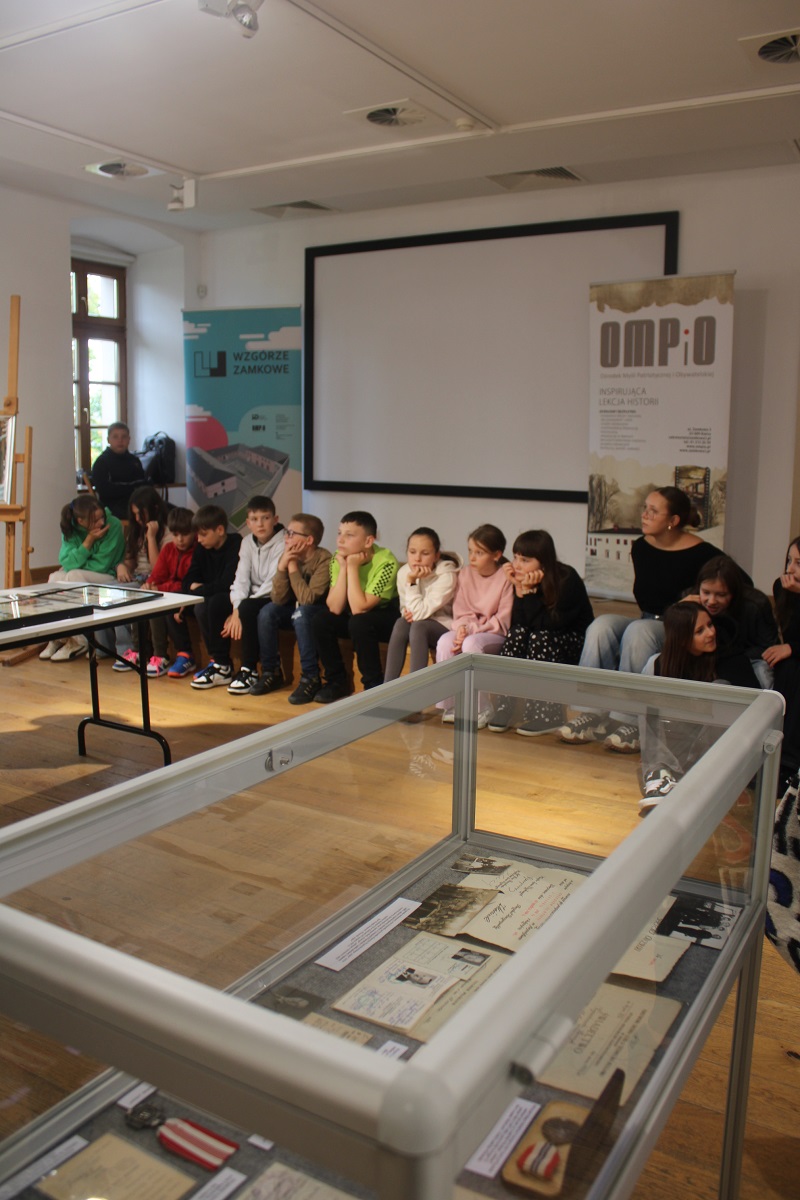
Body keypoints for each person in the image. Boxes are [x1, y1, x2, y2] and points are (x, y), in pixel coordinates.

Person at [560, 486, 721, 753]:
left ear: (673, 521)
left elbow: (737, 586)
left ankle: (632, 721)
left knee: (639, 631)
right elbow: (646, 597)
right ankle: (592, 713)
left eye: (653, 511)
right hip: (648, 617)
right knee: (602, 625)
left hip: (676, 626)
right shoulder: (641, 547)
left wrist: (699, 603)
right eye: (645, 508)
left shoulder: (704, 554)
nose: (644, 515)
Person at [487, 530, 594, 736]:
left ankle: (549, 715)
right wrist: (520, 590)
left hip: (571, 642)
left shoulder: (566, 578)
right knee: (517, 633)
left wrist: (528, 593)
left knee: (540, 637)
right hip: (541, 638)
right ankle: (504, 706)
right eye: (516, 557)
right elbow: (519, 624)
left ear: (543, 561)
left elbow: (551, 625)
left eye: (525, 560)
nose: (517, 565)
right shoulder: (521, 580)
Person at [638, 600, 721, 814]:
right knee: (648, 697)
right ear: (682, 639)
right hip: (673, 741)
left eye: (710, 625)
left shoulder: (725, 661)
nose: (711, 633)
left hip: (708, 749)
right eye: (700, 631)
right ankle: (659, 775)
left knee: (724, 688)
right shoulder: (658, 663)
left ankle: (690, 779)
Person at [311, 511, 400, 703]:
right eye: (339, 533)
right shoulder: (338, 558)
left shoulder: (386, 561)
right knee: (321, 620)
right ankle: (336, 682)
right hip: (354, 612)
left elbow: (361, 608)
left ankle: (373, 687)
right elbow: (335, 607)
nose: (341, 540)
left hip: (384, 616)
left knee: (359, 622)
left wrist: (352, 567)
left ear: (368, 541)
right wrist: (344, 567)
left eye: (349, 535)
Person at [435, 524, 513, 727]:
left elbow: (502, 620)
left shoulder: (505, 577)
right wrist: (462, 627)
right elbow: (461, 610)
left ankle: (482, 707)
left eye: (479, 552)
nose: (472, 557)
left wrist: (470, 631)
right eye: (470, 551)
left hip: (493, 633)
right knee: (445, 642)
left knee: (472, 645)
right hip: (469, 629)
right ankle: (452, 704)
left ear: (496, 555)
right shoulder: (465, 574)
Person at [250, 512, 331, 704]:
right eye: (287, 532)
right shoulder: (287, 556)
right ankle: (271, 672)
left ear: (309, 540)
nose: (286, 537)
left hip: (318, 613)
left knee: (301, 614)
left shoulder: (324, 560)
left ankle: (310, 677)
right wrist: (281, 567)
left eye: (292, 534)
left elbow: (308, 600)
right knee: (267, 612)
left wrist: (292, 566)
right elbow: (278, 598)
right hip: (295, 610)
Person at [39, 494, 126, 662]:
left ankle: (79, 640)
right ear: (80, 521)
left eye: (102, 517)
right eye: (95, 520)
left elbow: (102, 564)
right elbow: (65, 561)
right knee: (55, 577)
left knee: (73, 575)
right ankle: (58, 637)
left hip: (109, 575)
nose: (101, 522)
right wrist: (88, 542)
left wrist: (75, 563)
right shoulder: (70, 527)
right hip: (84, 574)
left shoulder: (113, 524)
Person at [223, 496, 286, 695]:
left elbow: (272, 583)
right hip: (250, 599)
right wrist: (236, 609)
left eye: (265, 518)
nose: (260, 524)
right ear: (248, 523)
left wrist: (242, 608)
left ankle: (249, 669)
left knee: (249, 609)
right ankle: (221, 665)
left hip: (276, 596)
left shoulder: (283, 541)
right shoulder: (246, 542)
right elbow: (241, 579)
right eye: (254, 519)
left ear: (275, 519)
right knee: (216, 603)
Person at [383, 527, 460, 683]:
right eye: (412, 552)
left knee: (419, 626)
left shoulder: (446, 575)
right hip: (417, 624)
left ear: (436, 556)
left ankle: (416, 689)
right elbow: (406, 608)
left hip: (444, 625)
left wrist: (412, 583)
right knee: (401, 623)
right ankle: (386, 689)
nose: (417, 559)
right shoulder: (404, 572)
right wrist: (406, 612)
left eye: (425, 553)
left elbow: (419, 614)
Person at [691, 555, 777, 688]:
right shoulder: (691, 600)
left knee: (763, 674)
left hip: (747, 656)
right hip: (705, 655)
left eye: (721, 595)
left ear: (733, 593)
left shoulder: (756, 604)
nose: (711, 601)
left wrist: (736, 656)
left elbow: (768, 647)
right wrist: (680, 609)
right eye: (706, 592)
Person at [180, 505, 242, 689]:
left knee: (213, 603)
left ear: (220, 530)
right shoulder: (201, 548)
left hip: (232, 596)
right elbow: (188, 580)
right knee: (183, 605)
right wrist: (196, 589)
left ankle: (222, 664)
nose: (198, 540)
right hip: (208, 596)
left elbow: (227, 583)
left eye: (203, 534)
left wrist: (199, 589)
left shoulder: (236, 544)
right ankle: (212, 660)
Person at [111, 485, 170, 672]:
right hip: (137, 577)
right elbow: (130, 561)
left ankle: (146, 650)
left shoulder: (166, 532)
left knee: (140, 595)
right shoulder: (135, 531)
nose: (137, 519)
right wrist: (121, 567)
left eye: (140, 513)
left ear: (154, 509)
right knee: (112, 590)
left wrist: (151, 538)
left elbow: (158, 568)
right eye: (134, 514)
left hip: (156, 579)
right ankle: (130, 649)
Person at [144, 507, 197, 679]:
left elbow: (187, 584)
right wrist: (149, 585)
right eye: (175, 534)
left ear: (194, 532)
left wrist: (160, 588)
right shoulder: (168, 549)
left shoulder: (198, 551)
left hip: (190, 596)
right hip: (172, 593)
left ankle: (183, 654)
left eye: (185, 534)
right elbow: (157, 575)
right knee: (148, 599)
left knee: (169, 605)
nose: (180, 539)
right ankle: (150, 653)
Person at [765, 536, 800, 797]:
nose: (790, 568)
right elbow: (791, 634)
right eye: (789, 560)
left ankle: (790, 762)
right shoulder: (783, 587)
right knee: (788, 667)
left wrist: (793, 648)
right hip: (796, 659)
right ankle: (781, 759)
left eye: (799, 563)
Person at [90, 422, 145, 520]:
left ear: (129, 440)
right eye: (115, 437)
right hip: (113, 506)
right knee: (147, 513)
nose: (120, 440)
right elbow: (104, 490)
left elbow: (142, 485)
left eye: (124, 437)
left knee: (168, 510)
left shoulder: (134, 461)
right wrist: (132, 487)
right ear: (108, 440)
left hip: (137, 502)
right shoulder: (101, 462)